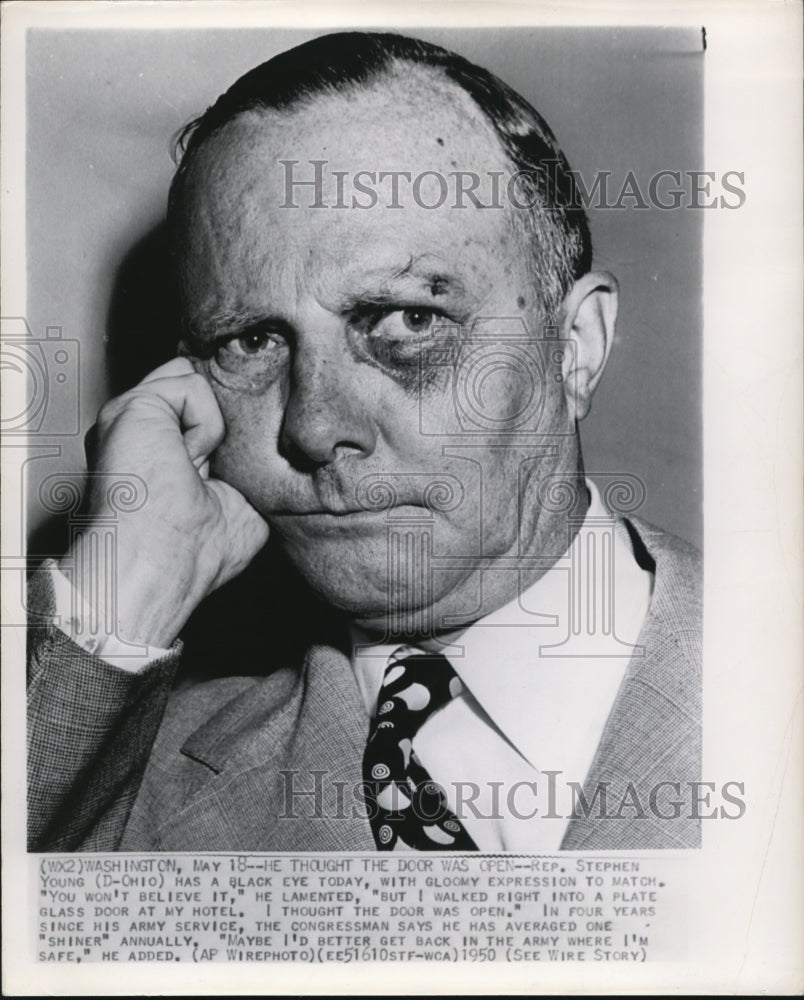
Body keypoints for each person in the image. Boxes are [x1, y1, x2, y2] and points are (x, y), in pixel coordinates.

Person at [27, 31, 701, 853]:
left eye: (408, 322)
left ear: (576, 347)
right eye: (250, 342)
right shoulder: (115, 794)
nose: (314, 427)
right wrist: (121, 595)